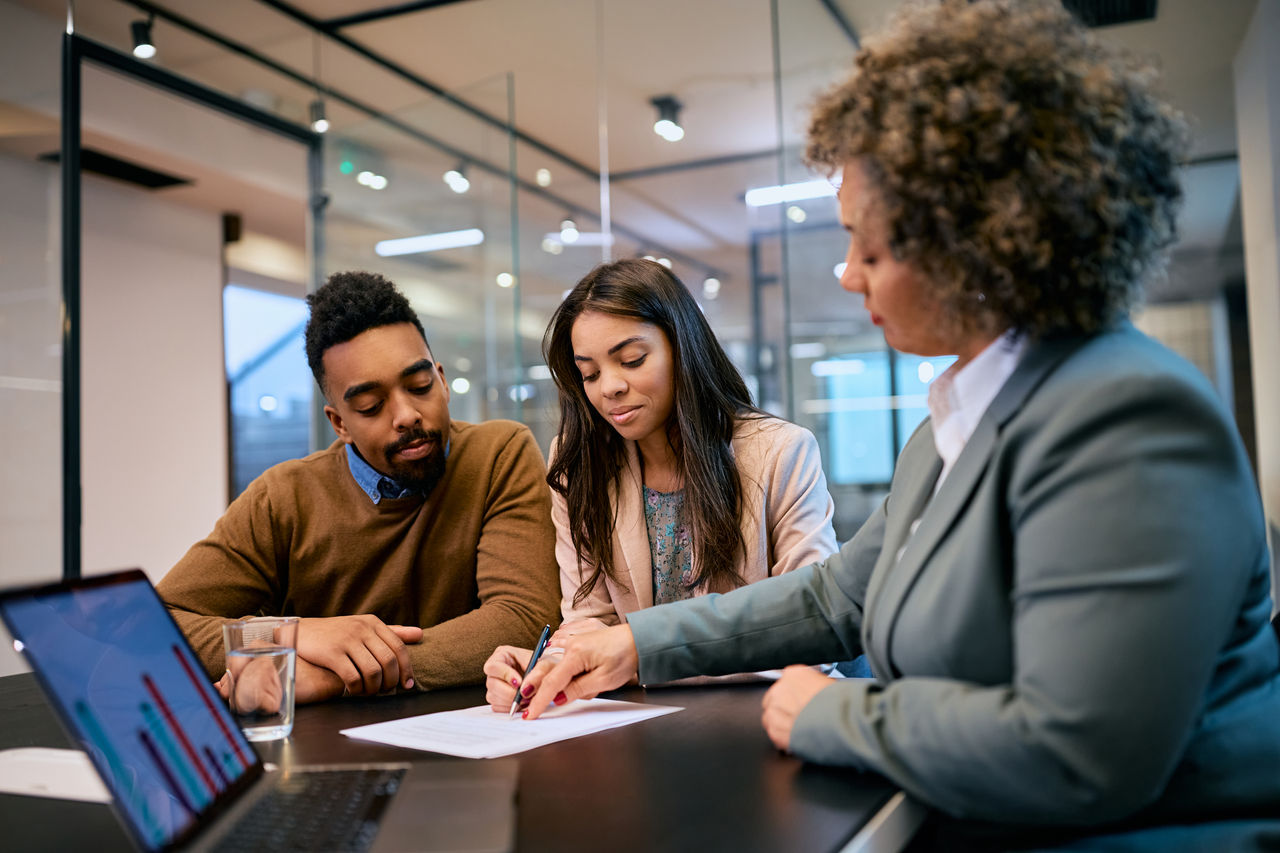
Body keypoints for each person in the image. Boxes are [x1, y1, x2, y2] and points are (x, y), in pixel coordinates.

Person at [512, 0, 1280, 845]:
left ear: (983, 240)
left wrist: (839, 712)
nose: (848, 276)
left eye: (869, 250)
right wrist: (634, 645)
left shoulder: (1129, 416)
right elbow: (838, 594)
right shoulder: (955, 423)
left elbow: (1078, 753)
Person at [159, 270, 560, 705]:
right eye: (371, 405)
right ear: (339, 424)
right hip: (325, 754)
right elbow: (154, 626)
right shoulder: (283, 498)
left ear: (442, 381)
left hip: (476, 746)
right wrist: (290, 635)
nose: (406, 414)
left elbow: (523, 619)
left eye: (420, 386)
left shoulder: (499, 454)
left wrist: (332, 678)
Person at [484, 259, 838, 708]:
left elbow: (812, 633)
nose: (609, 387)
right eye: (588, 374)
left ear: (682, 347)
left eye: (631, 360)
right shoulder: (578, 463)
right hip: (633, 728)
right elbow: (589, 622)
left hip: (758, 720)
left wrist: (640, 656)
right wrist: (553, 663)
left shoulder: (781, 452)